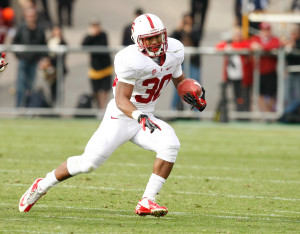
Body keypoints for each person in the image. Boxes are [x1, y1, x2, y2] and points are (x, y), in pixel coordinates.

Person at [18, 13, 207, 217]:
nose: (154, 42)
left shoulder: (175, 50)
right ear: (137, 40)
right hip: (121, 116)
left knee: (170, 144)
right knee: (88, 163)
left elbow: (179, 79)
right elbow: (121, 100)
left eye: (157, 37)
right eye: (148, 38)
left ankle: (147, 201)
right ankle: (42, 184)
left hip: (145, 117)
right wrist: (138, 116)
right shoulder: (130, 59)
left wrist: (194, 94)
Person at [12, 6, 46, 107]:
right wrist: (19, 56)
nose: (31, 18)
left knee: (30, 87)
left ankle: (27, 109)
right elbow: (15, 42)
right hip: (23, 61)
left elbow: (43, 44)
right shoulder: (21, 28)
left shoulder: (40, 29)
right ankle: (18, 109)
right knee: (20, 86)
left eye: (32, 15)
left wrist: (41, 58)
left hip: (34, 61)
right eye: (28, 16)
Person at [216, 26, 253, 112]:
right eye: (236, 35)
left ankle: (244, 115)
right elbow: (218, 47)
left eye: (239, 35)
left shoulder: (244, 43)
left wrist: (233, 48)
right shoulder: (229, 44)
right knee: (234, 97)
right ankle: (236, 113)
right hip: (231, 75)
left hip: (243, 76)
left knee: (244, 97)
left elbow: (248, 46)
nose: (238, 37)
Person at [171, 13, 201, 110]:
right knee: (178, 88)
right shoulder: (179, 31)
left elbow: (198, 39)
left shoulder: (195, 30)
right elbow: (170, 40)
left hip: (193, 63)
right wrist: (178, 30)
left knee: (195, 88)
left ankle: (196, 111)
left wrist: (191, 32)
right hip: (180, 63)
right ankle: (174, 111)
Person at [249, 22, 281, 112]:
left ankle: (268, 113)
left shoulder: (274, 39)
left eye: (267, 30)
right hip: (259, 72)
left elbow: (276, 45)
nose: (265, 32)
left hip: (271, 72)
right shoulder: (256, 38)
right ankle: (266, 113)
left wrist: (262, 48)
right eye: (264, 30)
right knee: (259, 94)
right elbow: (251, 45)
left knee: (271, 94)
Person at [82, 20, 112, 109]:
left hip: (105, 67)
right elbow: (83, 45)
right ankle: (98, 107)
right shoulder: (89, 36)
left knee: (104, 90)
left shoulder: (103, 35)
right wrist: (90, 35)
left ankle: (102, 109)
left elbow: (103, 46)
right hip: (94, 68)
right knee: (95, 91)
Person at [39, 24, 68, 106]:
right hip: (49, 69)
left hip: (58, 69)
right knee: (51, 89)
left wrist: (50, 61)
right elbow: (44, 53)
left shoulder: (63, 42)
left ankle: (59, 106)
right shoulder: (49, 41)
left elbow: (62, 58)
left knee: (59, 89)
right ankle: (52, 105)